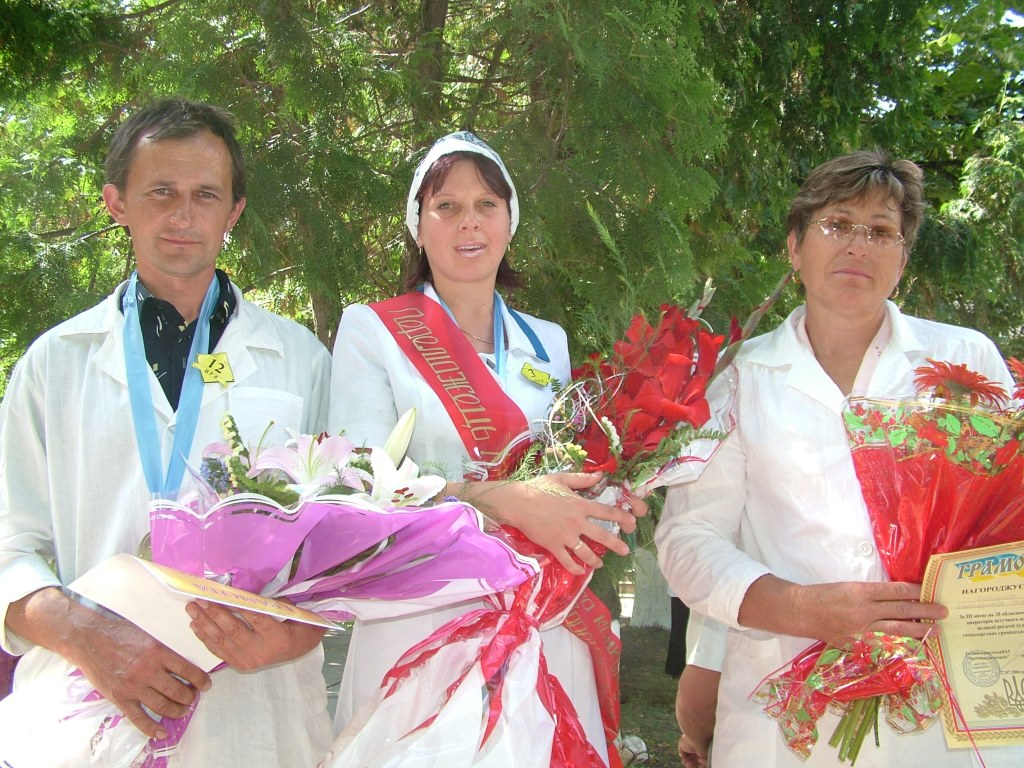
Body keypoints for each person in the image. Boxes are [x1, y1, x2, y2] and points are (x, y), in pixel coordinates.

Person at [656, 149, 1023, 767]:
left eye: (881, 231)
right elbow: (688, 539)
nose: (858, 245)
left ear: (903, 258)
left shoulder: (965, 362)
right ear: (794, 247)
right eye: (836, 224)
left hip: (943, 708)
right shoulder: (739, 377)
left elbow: (1005, 522)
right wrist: (806, 610)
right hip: (784, 717)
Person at [0, 97, 333, 765]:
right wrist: (87, 634)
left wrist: (298, 631)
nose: (183, 216)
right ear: (116, 202)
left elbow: (338, 542)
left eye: (206, 195)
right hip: (87, 714)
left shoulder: (300, 359)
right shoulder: (55, 363)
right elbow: (10, 544)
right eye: (161, 192)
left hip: (255, 719)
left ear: (234, 211)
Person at [328, 131, 643, 764]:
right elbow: (360, 483)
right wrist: (499, 500)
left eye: (487, 205)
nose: (468, 222)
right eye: (446, 206)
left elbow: (565, 465)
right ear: (418, 226)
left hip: (542, 622)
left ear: (509, 220)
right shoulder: (373, 330)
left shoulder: (548, 342)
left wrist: (606, 495)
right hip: (423, 621)